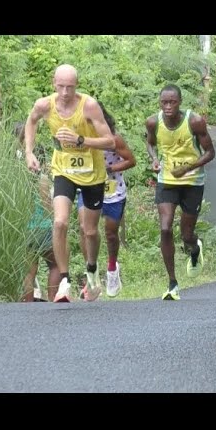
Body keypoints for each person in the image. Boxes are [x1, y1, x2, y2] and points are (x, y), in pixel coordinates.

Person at [24, 64, 116, 303]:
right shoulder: (44, 105)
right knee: (60, 221)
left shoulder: (89, 106)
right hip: (63, 170)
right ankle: (64, 281)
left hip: (92, 174)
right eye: (61, 86)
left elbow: (110, 142)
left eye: (70, 87)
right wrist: (29, 152)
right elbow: (31, 121)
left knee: (89, 231)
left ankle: (92, 268)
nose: (65, 92)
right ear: (54, 83)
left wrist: (81, 139)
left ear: (77, 86)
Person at [145, 84, 216, 301]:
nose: (168, 107)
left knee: (186, 235)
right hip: (167, 180)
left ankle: (194, 249)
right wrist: (155, 159)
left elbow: (210, 152)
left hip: (192, 181)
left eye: (172, 102)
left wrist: (187, 167)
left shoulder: (194, 122)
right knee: (165, 228)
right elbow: (150, 144)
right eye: (164, 102)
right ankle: (172, 283)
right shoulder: (153, 122)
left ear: (180, 102)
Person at [77, 102, 136, 298]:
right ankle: (91, 275)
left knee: (111, 233)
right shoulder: (78, 138)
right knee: (85, 230)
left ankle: (112, 268)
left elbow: (130, 160)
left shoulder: (113, 139)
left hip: (112, 190)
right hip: (87, 187)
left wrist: (109, 169)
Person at [16, 123, 61, 302]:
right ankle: (52, 299)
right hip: (44, 227)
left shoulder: (16, 179)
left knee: (29, 271)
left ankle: (27, 303)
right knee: (55, 265)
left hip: (26, 229)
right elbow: (51, 206)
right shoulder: (43, 180)